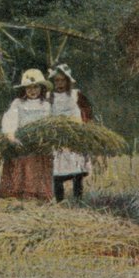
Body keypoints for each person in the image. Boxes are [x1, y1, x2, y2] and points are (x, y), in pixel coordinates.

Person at [0, 69, 55, 201]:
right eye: (28, 88)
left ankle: (38, 196)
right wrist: (11, 136)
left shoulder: (46, 105)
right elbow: (10, 120)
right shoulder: (18, 103)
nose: (32, 91)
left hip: (40, 144)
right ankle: (21, 195)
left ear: (41, 88)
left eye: (35, 87)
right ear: (24, 89)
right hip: (22, 142)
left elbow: (50, 124)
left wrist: (47, 138)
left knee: (38, 168)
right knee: (24, 166)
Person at [49, 63, 94, 203]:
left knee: (77, 170)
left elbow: (87, 112)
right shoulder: (49, 96)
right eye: (56, 80)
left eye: (63, 80)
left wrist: (84, 128)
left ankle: (78, 199)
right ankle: (59, 200)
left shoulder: (76, 95)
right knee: (57, 170)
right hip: (58, 138)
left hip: (75, 137)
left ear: (68, 81)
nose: (60, 83)